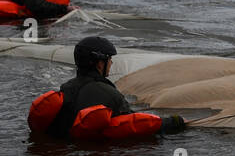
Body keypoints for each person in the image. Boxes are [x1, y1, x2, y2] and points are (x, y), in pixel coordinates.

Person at [48, 37, 185, 139]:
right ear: (100, 64)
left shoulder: (65, 89)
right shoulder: (110, 94)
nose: (111, 63)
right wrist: (172, 122)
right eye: (109, 59)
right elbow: (136, 123)